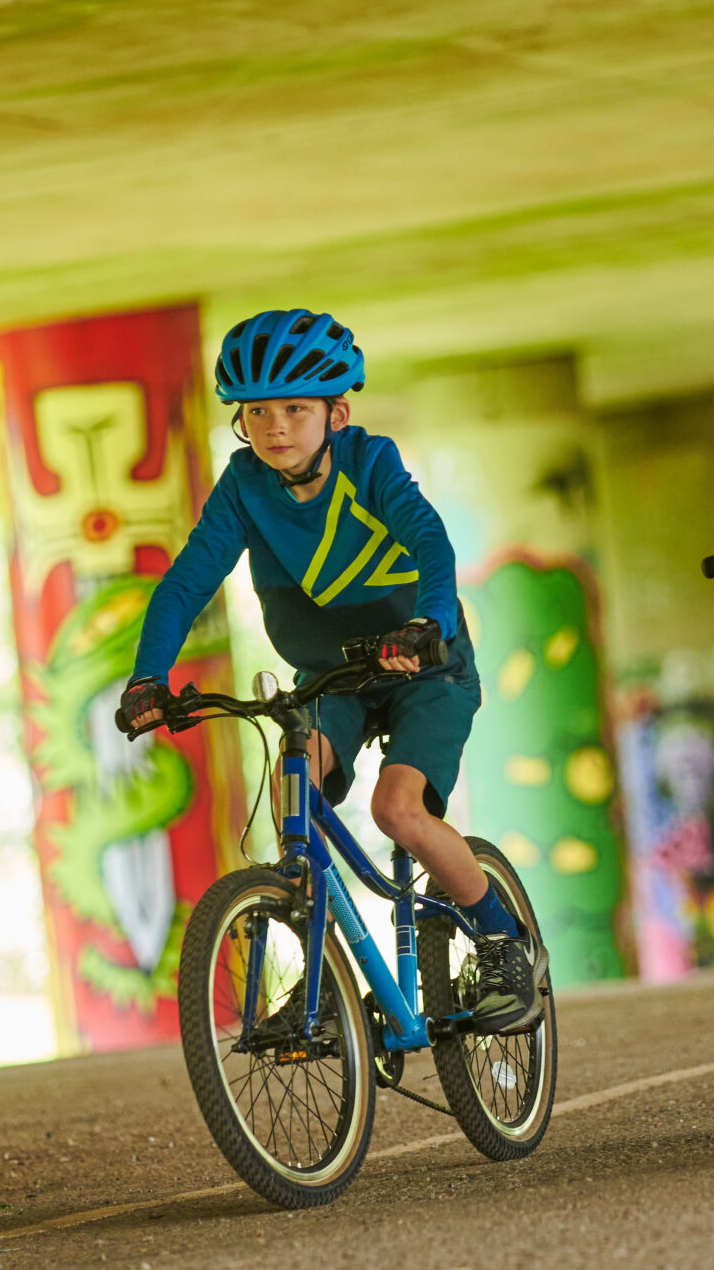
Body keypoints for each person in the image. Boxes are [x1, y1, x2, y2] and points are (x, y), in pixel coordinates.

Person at [115, 309, 537, 1031]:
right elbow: (187, 582)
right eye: (256, 412)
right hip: (332, 678)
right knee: (295, 796)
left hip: (423, 667)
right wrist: (146, 677)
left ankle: (505, 943)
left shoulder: (369, 463)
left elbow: (430, 543)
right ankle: (325, 980)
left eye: (295, 409)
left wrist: (428, 627)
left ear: (337, 412)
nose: (274, 426)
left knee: (397, 810)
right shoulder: (245, 487)